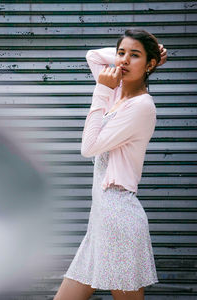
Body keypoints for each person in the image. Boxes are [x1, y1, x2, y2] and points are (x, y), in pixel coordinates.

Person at [53, 28, 167, 300]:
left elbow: (89, 148)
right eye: (120, 54)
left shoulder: (140, 106)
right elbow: (93, 56)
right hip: (101, 222)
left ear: (150, 65)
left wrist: (102, 90)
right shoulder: (119, 95)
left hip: (119, 220)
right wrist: (140, 56)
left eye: (134, 55)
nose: (123, 61)